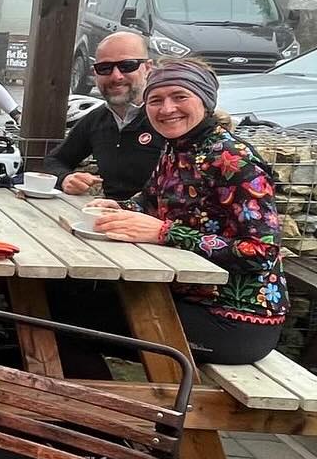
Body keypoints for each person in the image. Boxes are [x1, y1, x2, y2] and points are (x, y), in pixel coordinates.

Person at [91, 58, 286, 364]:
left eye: (179, 97)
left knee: (65, 317)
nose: (166, 109)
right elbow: (152, 201)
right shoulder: (177, 146)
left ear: (205, 102)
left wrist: (166, 233)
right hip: (184, 299)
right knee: (63, 302)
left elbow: (261, 251)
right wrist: (120, 207)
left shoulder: (231, 158)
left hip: (236, 323)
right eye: (155, 100)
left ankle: (86, 408)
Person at [42, 33, 164, 200]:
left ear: (148, 68)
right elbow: (54, 160)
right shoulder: (97, 119)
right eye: (105, 68)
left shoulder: (167, 118)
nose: (116, 76)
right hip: (105, 215)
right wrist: (66, 178)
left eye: (128, 66)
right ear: (95, 73)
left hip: (157, 220)